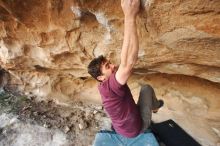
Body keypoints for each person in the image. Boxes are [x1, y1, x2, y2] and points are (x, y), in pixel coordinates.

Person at [88, 0, 164, 143]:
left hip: (122, 127)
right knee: (146, 89)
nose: (112, 66)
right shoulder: (111, 85)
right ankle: (155, 106)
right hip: (136, 129)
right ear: (101, 77)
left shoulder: (104, 87)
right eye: (107, 67)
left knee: (133, 101)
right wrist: (129, 16)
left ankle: (152, 107)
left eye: (109, 63)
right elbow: (128, 62)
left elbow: (124, 61)